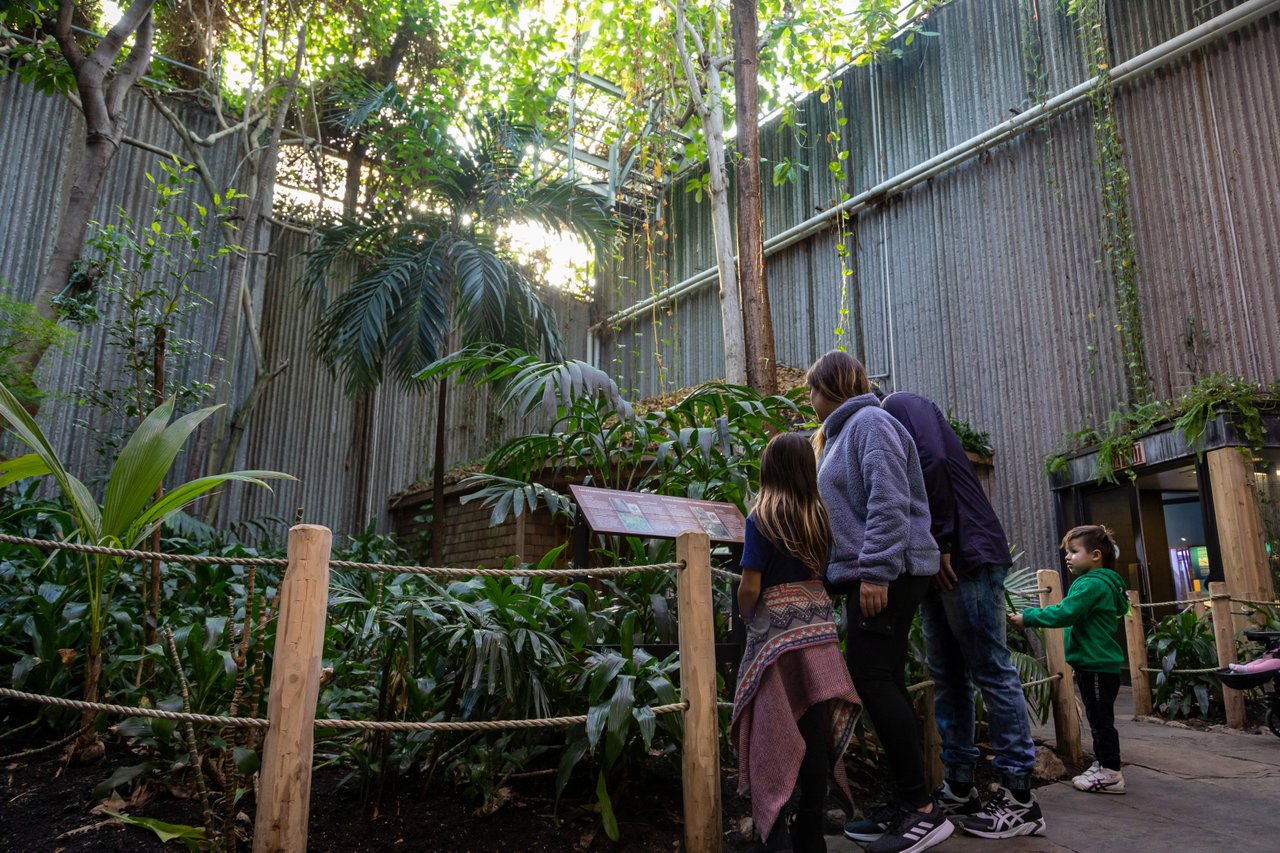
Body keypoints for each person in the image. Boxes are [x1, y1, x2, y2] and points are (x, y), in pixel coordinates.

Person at [879, 391, 1045, 839]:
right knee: (948, 675)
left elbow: (932, 461)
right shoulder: (886, 421)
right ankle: (959, 785)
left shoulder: (898, 405)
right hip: (937, 563)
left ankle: (1019, 798)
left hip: (965, 554)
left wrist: (944, 539)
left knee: (990, 668)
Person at [805, 351, 952, 853]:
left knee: (873, 677)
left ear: (833, 387)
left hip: (888, 573)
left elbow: (888, 500)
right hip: (872, 573)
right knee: (876, 676)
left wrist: (874, 572)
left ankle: (923, 809)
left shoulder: (871, 422)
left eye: (813, 391)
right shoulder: (844, 433)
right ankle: (907, 801)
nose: (810, 401)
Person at [732, 432, 862, 853]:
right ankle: (811, 828)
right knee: (813, 725)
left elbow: (751, 585)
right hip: (819, 630)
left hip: (779, 635)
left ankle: (778, 831)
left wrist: (746, 616)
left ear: (769, 470)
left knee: (774, 722)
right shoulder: (818, 516)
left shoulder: (761, 518)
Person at [1011, 524, 1129, 795]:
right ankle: (1103, 764)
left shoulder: (1090, 584)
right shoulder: (1109, 582)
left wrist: (1027, 617)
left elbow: (1066, 613)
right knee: (1100, 717)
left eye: (1074, 551)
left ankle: (1111, 774)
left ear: (1096, 555)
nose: (1068, 557)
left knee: (1101, 721)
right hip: (1099, 664)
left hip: (1095, 664)